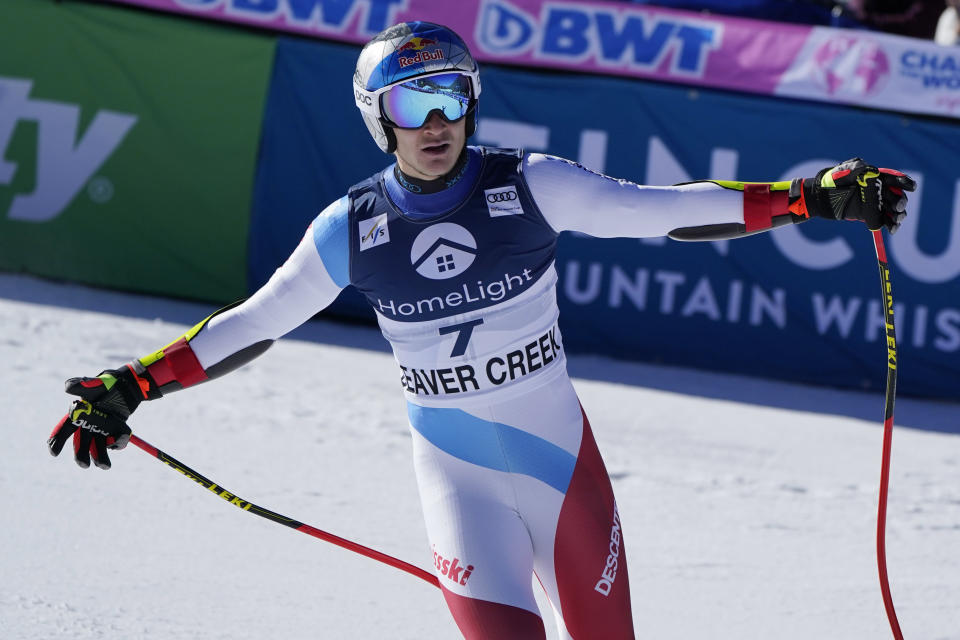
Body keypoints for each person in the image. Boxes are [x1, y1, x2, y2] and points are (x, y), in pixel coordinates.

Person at [48, 21, 915, 640]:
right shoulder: (351, 230)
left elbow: (668, 213)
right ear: (376, 117)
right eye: (412, 101)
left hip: (562, 474)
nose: (436, 123)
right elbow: (253, 324)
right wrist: (133, 382)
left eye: (452, 97)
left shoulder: (531, 184)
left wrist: (809, 198)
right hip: (459, 485)